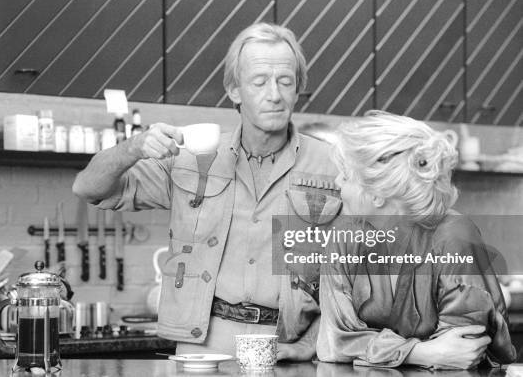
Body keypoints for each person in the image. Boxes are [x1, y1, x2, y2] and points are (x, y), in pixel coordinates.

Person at [72, 22, 341, 358]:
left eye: (285, 81)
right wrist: (134, 148)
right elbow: (90, 188)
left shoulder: (333, 167)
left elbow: (358, 275)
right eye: (259, 82)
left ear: (298, 87)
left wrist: (309, 344)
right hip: (204, 344)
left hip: (288, 347)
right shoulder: (190, 160)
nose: (274, 94)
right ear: (234, 90)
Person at [316, 111, 517, 369]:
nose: (336, 182)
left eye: (346, 175)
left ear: (376, 194)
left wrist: (374, 349)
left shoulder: (454, 237)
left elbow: (463, 351)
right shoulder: (343, 237)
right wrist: (420, 353)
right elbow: (333, 341)